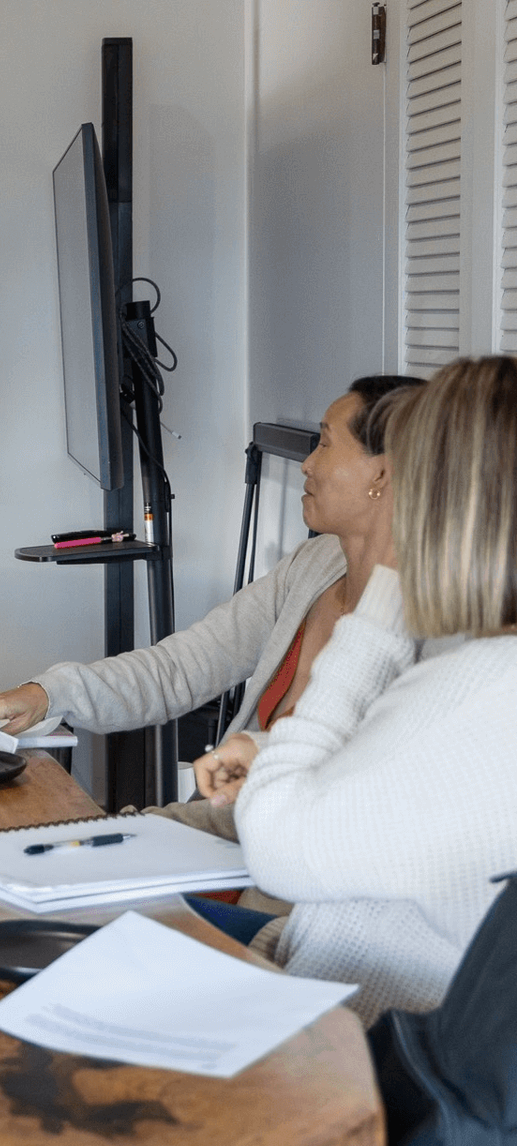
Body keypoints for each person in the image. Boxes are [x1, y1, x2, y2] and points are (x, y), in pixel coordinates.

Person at [0, 373, 425, 841]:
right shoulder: (314, 564)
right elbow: (181, 667)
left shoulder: (430, 624)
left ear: (381, 473)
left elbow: (371, 788)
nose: (306, 464)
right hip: (224, 831)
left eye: (325, 443)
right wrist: (48, 692)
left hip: (286, 863)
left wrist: (250, 756)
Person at [193, 356, 517, 1026]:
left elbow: (279, 846)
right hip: (324, 960)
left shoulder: (474, 681)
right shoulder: (483, 675)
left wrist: (380, 610)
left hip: (349, 1035)